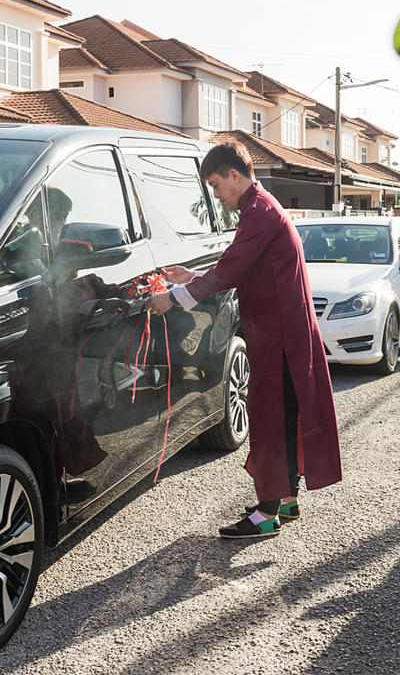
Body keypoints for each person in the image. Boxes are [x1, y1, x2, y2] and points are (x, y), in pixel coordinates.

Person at [146, 141, 341, 539]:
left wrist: (173, 298)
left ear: (235, 175)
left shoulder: (262, 211)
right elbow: (237, 258)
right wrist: (192, 276)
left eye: (217, 185)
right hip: (281, 333)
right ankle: (284, 500)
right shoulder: (259, 208)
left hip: (280, 337)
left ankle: (267, 512)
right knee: (282, 418)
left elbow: (231, 268)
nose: (216, 195)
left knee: (271, 419)